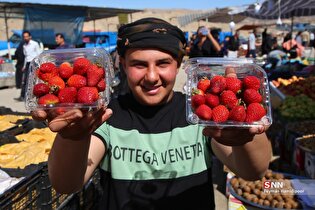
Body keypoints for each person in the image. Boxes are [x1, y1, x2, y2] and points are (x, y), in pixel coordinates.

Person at [32, 18, 271, 210]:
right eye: (139, 64)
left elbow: (253, 171)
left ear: (179, 64)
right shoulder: (106, 116)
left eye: (163, 63)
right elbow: (66, 184)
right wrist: (73, 137)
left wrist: (246, 132)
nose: (152, 76)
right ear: (122, 64)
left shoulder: (199, 115)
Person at [16, 31, 41, 101]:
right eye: (24, 37)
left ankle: (34, 96)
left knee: (34, 80)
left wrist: (39, 65)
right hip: (27, 64)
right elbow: (26, 57)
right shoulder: (24, 46)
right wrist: (24, 66)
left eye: (27, 36)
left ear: (30, 37)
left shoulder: (35, 44)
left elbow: (38, 54)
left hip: (34, 63)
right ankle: (23, 96)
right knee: (25, 80)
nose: (25, 38)